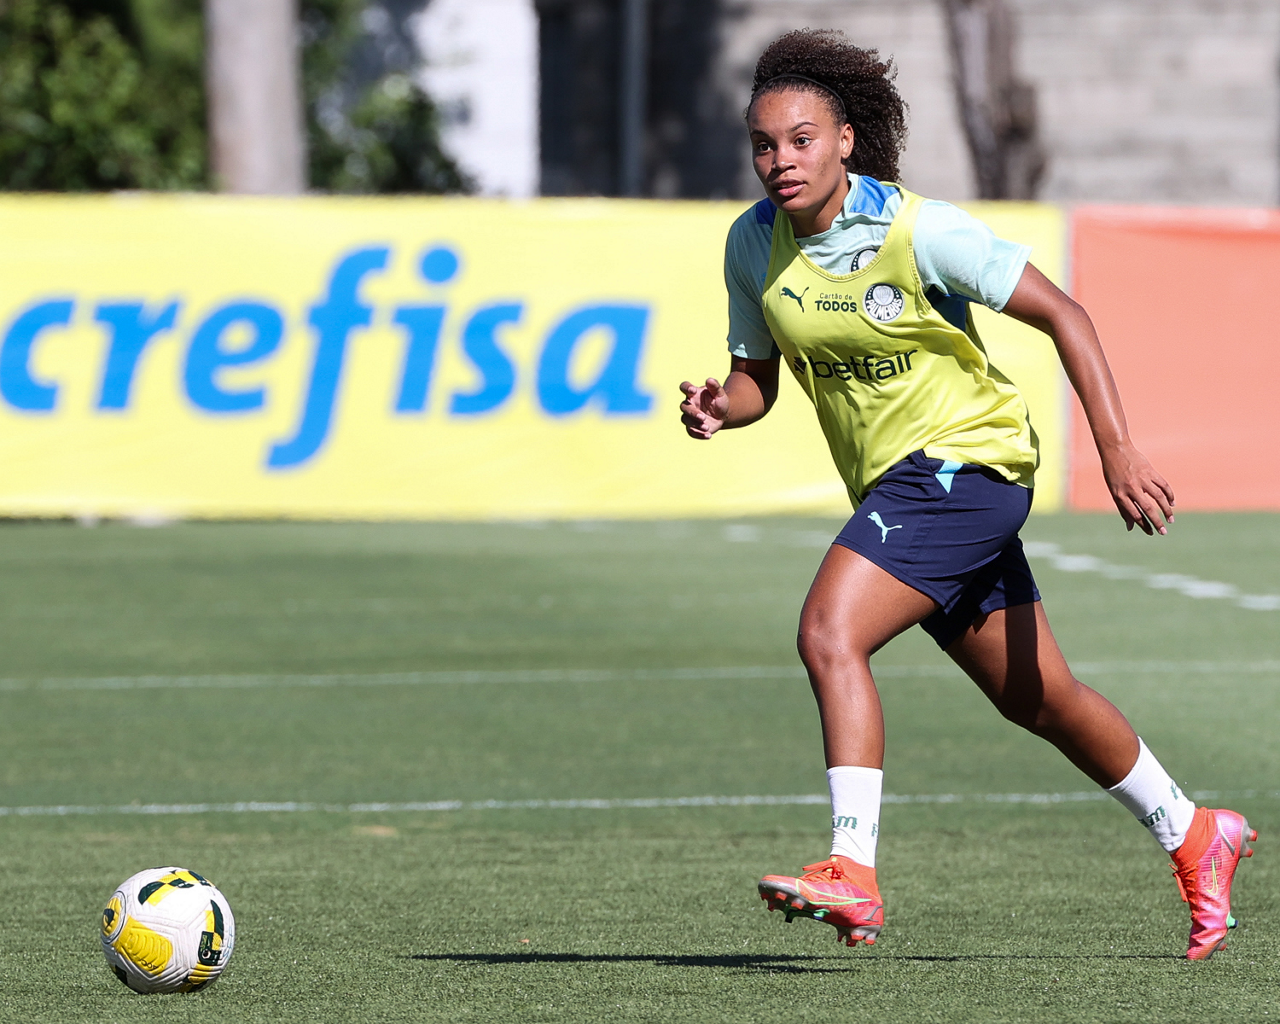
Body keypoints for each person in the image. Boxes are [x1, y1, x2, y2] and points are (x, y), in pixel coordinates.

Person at [679, 28, 1255, 960]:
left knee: (829, 632)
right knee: (1040, 698)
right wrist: (722, 407)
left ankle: (852, 868)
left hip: (968, 466)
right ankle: (1195, 831)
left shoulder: (920, 230)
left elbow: (1065, 313)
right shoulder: (753, 244)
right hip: (904, 488)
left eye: (801, 139)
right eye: (764, 144)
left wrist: (1116, 449)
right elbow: (757, 381)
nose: (780, 160)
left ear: (845, 141)